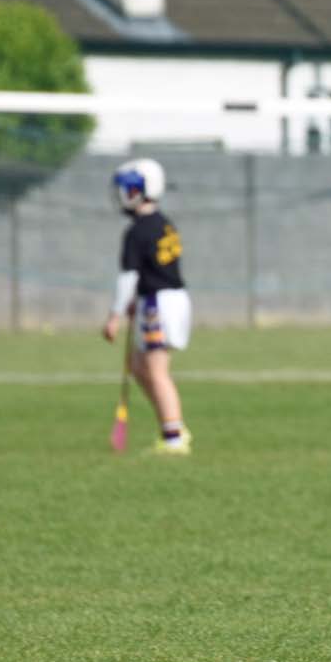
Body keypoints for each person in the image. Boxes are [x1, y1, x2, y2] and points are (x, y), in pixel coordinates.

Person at [101, 158, 192, 456]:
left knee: (155, 370)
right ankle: (172, 426)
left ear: (139, 190)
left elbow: (129, 277)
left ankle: (174, 437)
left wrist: (115, 315)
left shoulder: (137, 231)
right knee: (140, 368)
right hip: (165, 300)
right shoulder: (163, 223)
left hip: (158, 304)